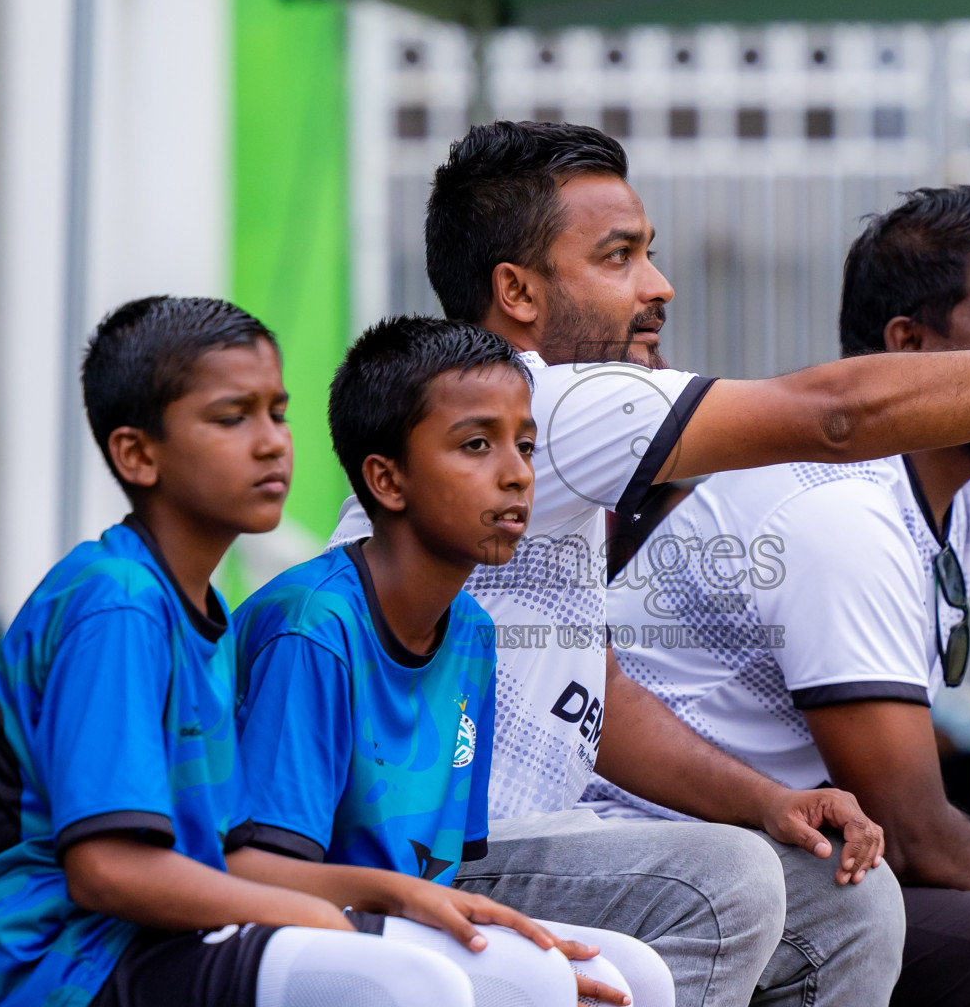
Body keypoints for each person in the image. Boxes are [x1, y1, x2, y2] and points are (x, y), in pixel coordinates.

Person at [326, 121, 970, 1007]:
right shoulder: (555, 404)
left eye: (649, 251)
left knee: (851, 899)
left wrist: (773, 801)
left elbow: (594, 695)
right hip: (441, 853)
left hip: (554, 841)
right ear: (519, 293)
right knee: (754, 884)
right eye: (621, 257)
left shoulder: (546, 442)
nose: (660, 285)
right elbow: (837, 418)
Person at [594, 187, 970, 1007]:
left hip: (801, 855)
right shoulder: (838, 510)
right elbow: (917, 833)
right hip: (671, 870)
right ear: (909, 343)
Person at [0, 297, 576, 1007]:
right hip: (65, 961)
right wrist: (315, 916)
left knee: (544, 977)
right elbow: (107, 872)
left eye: (277, 413)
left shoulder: (199, 610)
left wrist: (395, 895)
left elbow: (232, 857)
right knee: (402, 984)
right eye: (231, 418)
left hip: (156, 939)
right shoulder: (118, 603)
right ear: (137, 454)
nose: (273, 442)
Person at [234, 315, 669, 1006]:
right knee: (525, 979)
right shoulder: (314, 629)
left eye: (525, 446)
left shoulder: (470, 632)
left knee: (630, 975)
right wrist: (488, 956)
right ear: (386, 479)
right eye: (476, 445)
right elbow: (253, 875)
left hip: (392, 917)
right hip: (269, 927)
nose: (516, 475)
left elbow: (444, 874)